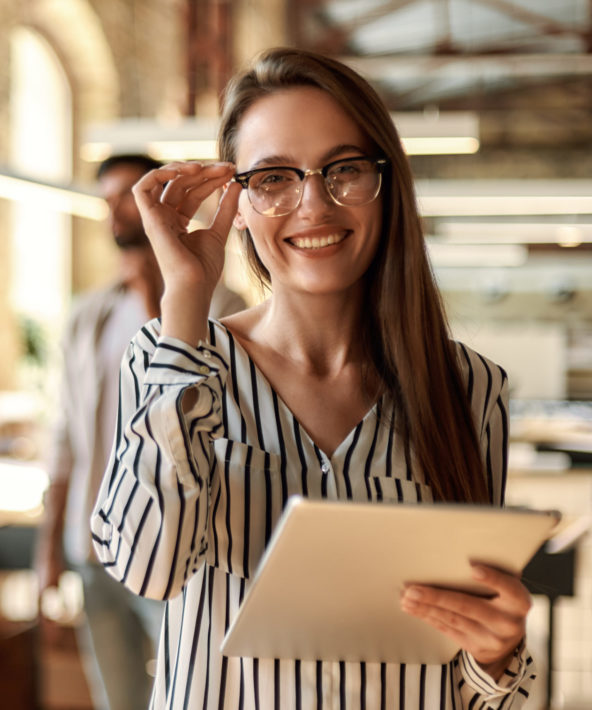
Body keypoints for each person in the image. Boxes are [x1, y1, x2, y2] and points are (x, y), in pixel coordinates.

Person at [89, 48, 536, 709]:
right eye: (273, 178)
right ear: (235, 202)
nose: (314, 204)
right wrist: (184, 296)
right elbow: (147, 570)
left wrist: (497, 658)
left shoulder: (469, 390)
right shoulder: (172, 363)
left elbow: (471, 682)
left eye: (344, 169)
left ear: (386, 184)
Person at [36, 154, 245, 710]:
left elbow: (210, 417)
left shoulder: (224, 307)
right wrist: (48, 548)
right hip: (94, 544)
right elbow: (64, 441)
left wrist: (168, 289)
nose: (117, 214)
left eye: (128, 196)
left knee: (190, 694)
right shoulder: (90, 316)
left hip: (178, 544)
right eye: (107, 202)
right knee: (118, 700)